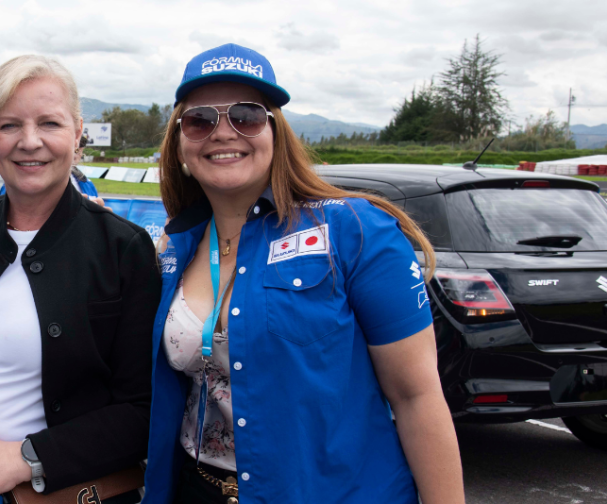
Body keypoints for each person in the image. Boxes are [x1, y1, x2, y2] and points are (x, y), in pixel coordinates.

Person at [143, 44, 464, 503]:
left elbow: (417, 398)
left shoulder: (354, 230)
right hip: (198, 489)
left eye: (247, 116)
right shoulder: (175, 247)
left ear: (275, 132)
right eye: (200, 120)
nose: (223, 132)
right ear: (179, 142)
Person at [0, 55, 160, 504]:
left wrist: (28, 457)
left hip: (49, 493)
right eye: (9, 125)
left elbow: (144, 411)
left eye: (49, 123)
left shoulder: (124, 248)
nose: (30, 142)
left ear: (78, 132)